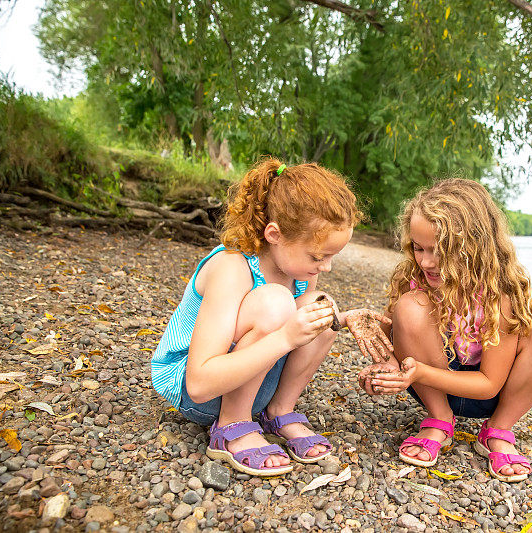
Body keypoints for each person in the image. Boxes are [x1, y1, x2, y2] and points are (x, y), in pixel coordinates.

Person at [152, 157, 392, 477]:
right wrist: (285, 337)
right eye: (318, 256)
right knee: (276, 302)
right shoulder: (232, 267)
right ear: (274, 234)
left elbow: (301, 324)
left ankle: (279, 411)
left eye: (333, 257)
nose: (327, 267)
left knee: (322, 306)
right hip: (200, 391)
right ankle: (232, 425)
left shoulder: (299, 272)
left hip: (253, 381)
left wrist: (341, 318)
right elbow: (199, 385)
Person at [358, 178, 532, 482]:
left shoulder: (500, 293)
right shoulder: (416, 279)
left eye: (439, 250)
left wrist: (416, 373)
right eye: (418, 248)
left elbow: (489, 384)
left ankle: (498, 429)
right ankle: (440, 419)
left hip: (491, 392)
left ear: (475, 246)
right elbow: (396, 340)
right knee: (409, 306)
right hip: (435, 390)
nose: (426, 261)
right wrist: (387, 369)